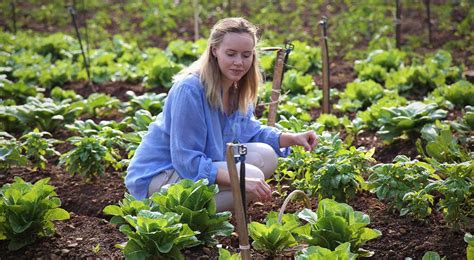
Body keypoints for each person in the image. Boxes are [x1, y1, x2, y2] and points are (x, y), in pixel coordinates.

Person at [125, 17, 317, 212]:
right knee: (249, 178)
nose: (239, 63)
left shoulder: (236, 88)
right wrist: (240, 181)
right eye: (231, 54)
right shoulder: (190, 89)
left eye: (246, 55)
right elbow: (186, 161)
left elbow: (250, 131)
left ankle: (208, 206)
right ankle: (170, 211)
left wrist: (292, 138)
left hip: (202, 162)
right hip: (161, 175)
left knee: (266, 156)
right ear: (214, 50)